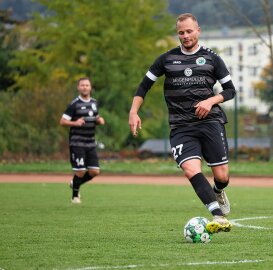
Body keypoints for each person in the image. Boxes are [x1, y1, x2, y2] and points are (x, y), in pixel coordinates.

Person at [129, 13, 236, 233]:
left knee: (222, 175)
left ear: (198, 31)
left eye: (189, 31)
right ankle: (217, 215)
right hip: (181, 126)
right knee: (190, 169)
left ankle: (218, 190)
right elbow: (143, 87)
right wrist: (133, 111)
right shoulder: (166, 59)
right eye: (181, 32)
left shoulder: (212, 58)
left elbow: (230, 90)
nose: (185, 36)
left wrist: (211, 100)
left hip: (210, 122)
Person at [60, 77, 105, 204]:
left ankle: (74, 182)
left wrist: (99, 120)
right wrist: (75, 122)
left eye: (87, 85)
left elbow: (96, 115)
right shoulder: (74, 104)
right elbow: (62, 121)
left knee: (95, 171)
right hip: (77, 143)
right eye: (82, 85)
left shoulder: (94, 103)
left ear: (90, 88)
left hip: (90, 143)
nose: (85, 87)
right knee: (80, 172)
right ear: (78, 88)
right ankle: (75, 196)